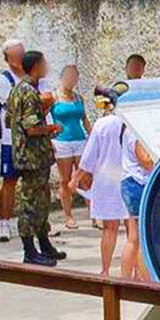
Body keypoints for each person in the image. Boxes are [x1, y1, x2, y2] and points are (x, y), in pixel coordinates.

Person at [5, 50, 65, 266]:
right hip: (32, 157)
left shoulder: (18, 90)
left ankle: (44, 244)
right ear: (35, 67)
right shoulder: (28, 92)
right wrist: (51, 127)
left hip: (32, 156)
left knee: (41, 202)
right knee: (31, 203)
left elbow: (9, 120)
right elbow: (31, 128)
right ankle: (29, 251)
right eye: (43, 64)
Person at [70, 93, 127, 276]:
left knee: (109, 229)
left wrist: (76, 178)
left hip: (107, 180)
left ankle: (105, 270)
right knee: (133, 232)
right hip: (128, 178)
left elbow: (89, 157)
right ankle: (133, 272)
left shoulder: (102, 125)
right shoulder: (134, 124)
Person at [0, 39, 26, 242]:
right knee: (9, 181)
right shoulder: (3, 80)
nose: (19, 57)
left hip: (32, 139)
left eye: (21, 53)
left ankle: (31, 223)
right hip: (10, 140)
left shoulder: (35, 77)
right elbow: (16, 105)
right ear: (7, 58)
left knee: (34, 183)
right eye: (15, 54)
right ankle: (4, 224)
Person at [52, 64, 91, 230]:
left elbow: (85, 119)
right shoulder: (53, 97)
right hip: (62, 142)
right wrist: (49, 138)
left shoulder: (78, 98)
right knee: (65, 180)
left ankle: (94, 215)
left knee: (86, 178)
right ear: (62, 78)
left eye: (74, 77)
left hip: (80, 139)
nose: (71, 80)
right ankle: (68, 216)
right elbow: (43, 117)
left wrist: (94, 136)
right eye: (68, 77)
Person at [119, 119, 154, 281]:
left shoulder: (128, 130)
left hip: (131, 184)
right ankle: (146, 281)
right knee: (142, 239)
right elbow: (146, 161)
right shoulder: (135, 132)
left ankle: (126, 280)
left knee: (134, 238)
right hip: (138, 184)